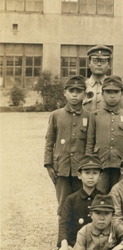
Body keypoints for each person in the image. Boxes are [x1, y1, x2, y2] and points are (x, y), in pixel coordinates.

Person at [45, 75, 89, 219]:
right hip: (61, 168)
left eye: (79, 91)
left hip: (80, 168)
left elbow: (90, 142)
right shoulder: (56, 115)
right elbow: (49, 141)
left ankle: (79, 237)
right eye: (71, 91)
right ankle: (63, 237)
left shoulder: (89, 117)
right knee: (63, 203)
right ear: (65, 93)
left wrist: (88, 166)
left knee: (80, 202)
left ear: (84, 94)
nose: (75, 94)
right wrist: (49, 165)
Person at [86, 75, 123, 194]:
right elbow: (90, 141)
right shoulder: (95, 115)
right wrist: (89, 163)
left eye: (116, 92)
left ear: (121, 94)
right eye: (108, 92)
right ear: (102, 94)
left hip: (120, 164)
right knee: (99, 194)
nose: (112, 95)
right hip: (100, 163)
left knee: (120, 194)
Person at [55, 155, 102, 250]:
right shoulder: (71, 199)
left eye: (95, 173)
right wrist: (64, 244)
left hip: (96, 242)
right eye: (87, 172)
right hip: (75, 242)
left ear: (100, 176)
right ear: (79, 175)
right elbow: (64, 223)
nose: (91, 177)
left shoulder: (102, 198)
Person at [84, 45, 116, 112]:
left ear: (109, 64)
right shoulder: (82, 87)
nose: (99, 64)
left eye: (103, 61)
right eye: (95, 61)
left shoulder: (115, 88)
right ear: (89, 63)